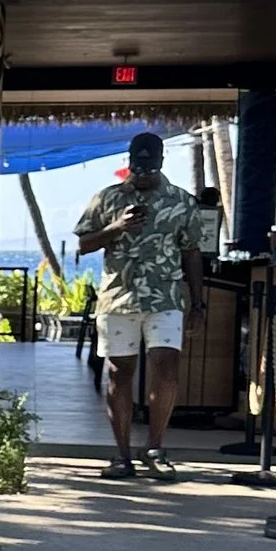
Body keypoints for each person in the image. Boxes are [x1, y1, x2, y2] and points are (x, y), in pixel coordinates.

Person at [74, 131, 210, 481]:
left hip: (165, 298)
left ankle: (154, 448)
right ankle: (122, 456)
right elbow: (84, 244)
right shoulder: (107, 197)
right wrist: (116, 227)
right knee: (119, 373)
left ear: (161, 162)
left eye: (150, 168)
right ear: (130, 162)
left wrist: (198, 304)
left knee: (167, 370)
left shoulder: (181, 200)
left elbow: (192, 252)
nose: (144, 174)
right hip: (118, 298)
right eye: (138, 167)